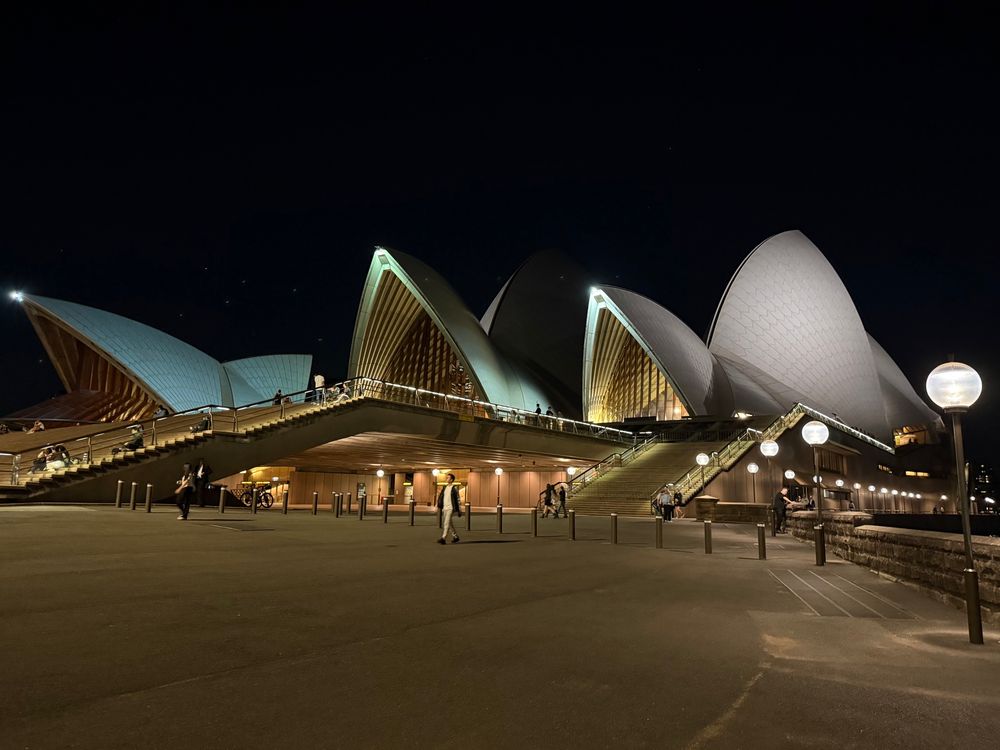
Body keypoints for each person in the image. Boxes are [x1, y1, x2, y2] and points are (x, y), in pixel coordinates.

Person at [436, 473, 462, 544]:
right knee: (449, 523)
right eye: (446, 477)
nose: (446, 479)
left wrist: (460, 509)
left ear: (451, 480)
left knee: (446, 523)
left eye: (448, 478)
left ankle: (443, 538)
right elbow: (442, 497)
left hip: (451, 508)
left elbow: (458, 499)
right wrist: (438, 505)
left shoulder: (454, 488)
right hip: (445, 507)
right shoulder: (445, 487)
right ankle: (455, 537)